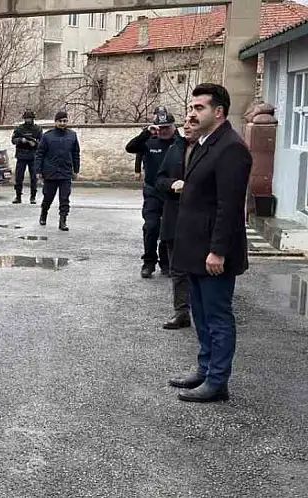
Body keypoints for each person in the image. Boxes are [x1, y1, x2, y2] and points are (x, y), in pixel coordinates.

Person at [168, 83, 252, 403]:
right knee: (201, 315)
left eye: (199, 107)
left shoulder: (231, 147)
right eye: (191, 107)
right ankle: (204, 370)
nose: (192, 112)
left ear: (218, 112)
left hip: (213, 253)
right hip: (195, 249)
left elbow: (229, 207)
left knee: (217, 317)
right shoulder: (205, 143)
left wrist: (217, 251)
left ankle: (218, 381)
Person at [126, 107, 178, 278]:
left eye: (167, 127)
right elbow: (131, 147)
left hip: (172, 193)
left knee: (168, 229)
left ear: (174, 127)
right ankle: (149, 262)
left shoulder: (179, 144)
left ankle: (166, 262)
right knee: (151, 227)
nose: (163, 131)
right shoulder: (150, 142)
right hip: (152, 191)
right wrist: (146, 133)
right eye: (160, 127)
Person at [155, 118, 196, 330]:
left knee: (198, 269)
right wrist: (172, 184)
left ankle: (201, 311)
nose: (188, 126)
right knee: (177, 269)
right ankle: (181, 313)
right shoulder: (174, 150)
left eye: (193, 122)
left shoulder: (210, 150)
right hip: (175, 215)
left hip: (199, 218)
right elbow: (158, 180)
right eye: (186, 122)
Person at [35, 110, 80, 231]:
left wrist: (76, 170)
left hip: (66, 172)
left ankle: (63, 221)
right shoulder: (47, 136)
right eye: (60, 121)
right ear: (55, 122)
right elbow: (40, 154)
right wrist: (38, 171)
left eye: (64, 121)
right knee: (48, 197)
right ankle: (44, 213)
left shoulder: (72, 135)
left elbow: (76, 153)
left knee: (64, 198)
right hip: (50, 172)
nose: (62, 123)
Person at [11, 110, 43, 204]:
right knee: (19, 178)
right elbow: (13, 140)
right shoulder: (19, 129)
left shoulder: (37, 129)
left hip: (33, 156)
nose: (28, 120)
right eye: (26, 118)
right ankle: (18, 196)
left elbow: (42, 143)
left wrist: (34, 143)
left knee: (33, 178)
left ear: (33, 119)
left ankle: (33, 197)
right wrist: (21, 140)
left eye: (29, 118)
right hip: (21, 156)